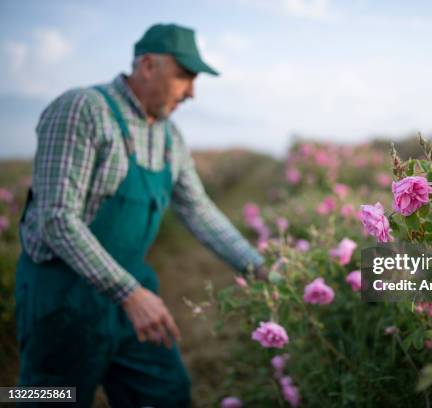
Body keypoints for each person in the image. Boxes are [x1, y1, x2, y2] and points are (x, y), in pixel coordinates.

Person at [14, 23, 266, 407]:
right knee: (48, 396)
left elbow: (198, 210)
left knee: (165, 393)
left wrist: (258, 266)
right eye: (184, 76)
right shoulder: (82, 109)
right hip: (63, 299)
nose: (192, 93)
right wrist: (129, 293)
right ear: (148, 65)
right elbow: (57, 219)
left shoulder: (169, 136)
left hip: (130, 295)